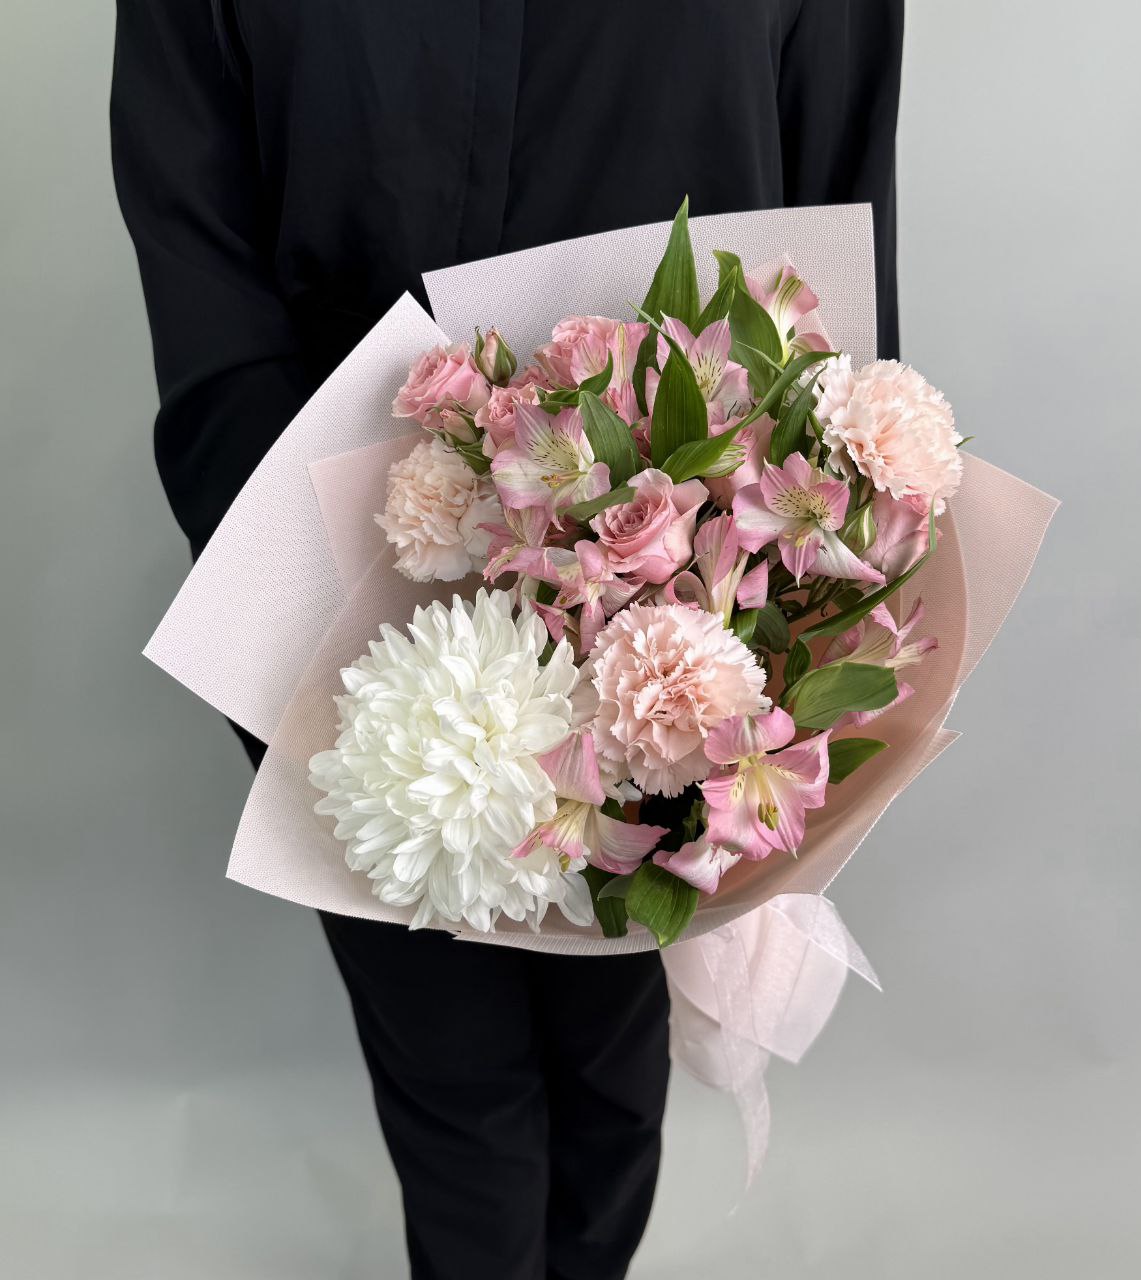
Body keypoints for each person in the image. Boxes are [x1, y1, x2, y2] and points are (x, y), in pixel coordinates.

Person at [111, 2, 903, 1276]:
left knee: (608, 1063)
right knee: (451, 1067)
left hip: (677, 603)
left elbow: (832, 211)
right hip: (336, 590)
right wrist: (324, 604)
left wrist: (796, 597)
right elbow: (203, 266)